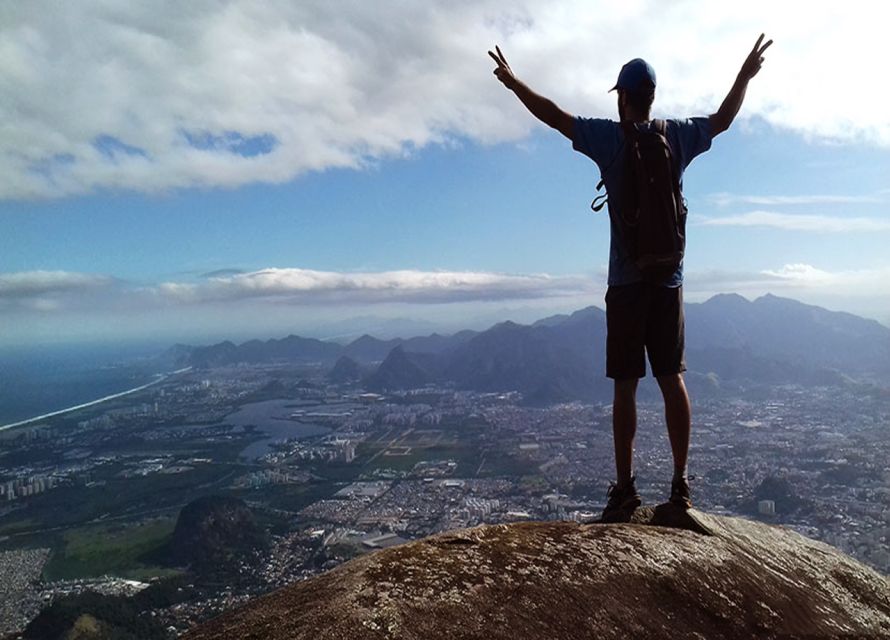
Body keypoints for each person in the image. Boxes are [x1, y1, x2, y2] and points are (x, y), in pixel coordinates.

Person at [489, 35, 772, 521]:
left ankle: (624, 491)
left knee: (625, 385)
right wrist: (744, 76)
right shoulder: (676, 135)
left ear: (622, 97)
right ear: (653, 97)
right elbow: (723, 121)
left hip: (625, 284)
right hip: (668, 281)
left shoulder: (609, 139)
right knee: (672, 380)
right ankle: (681, 487)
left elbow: (555, 117)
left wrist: (515, 85)